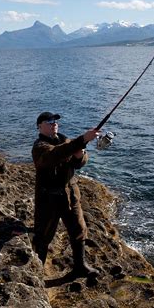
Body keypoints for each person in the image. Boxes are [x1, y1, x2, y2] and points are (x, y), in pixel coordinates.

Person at [31, 111, 100, 277]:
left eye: (55, 120)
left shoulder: (65, 140)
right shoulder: (39, 146)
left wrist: (80, 154)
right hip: (48, 198)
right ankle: (37, 269)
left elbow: (79, 163)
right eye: (48, 121)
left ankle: (80, 266)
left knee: (78, 229)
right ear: (39, 126)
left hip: (70, 195)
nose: (53, 123)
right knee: (43, 234)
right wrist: (82, 140)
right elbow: (54, 155)